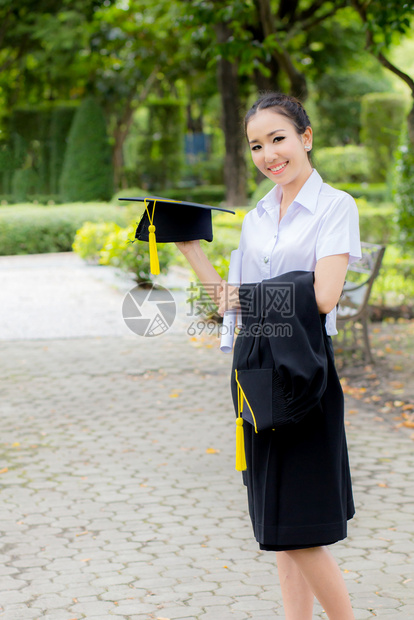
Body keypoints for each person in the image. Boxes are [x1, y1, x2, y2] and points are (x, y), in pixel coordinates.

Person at [176, 92, 361, 620]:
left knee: (301, 529)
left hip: (304, 370)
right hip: (257, 370)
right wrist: (192, 249)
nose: (267, 154)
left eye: (278, 139)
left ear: (305, 138)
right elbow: (230, 304)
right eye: (256, 145)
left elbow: (324, 294)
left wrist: (255, 298)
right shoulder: (257, 216)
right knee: (278, 527)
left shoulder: (335, 206)